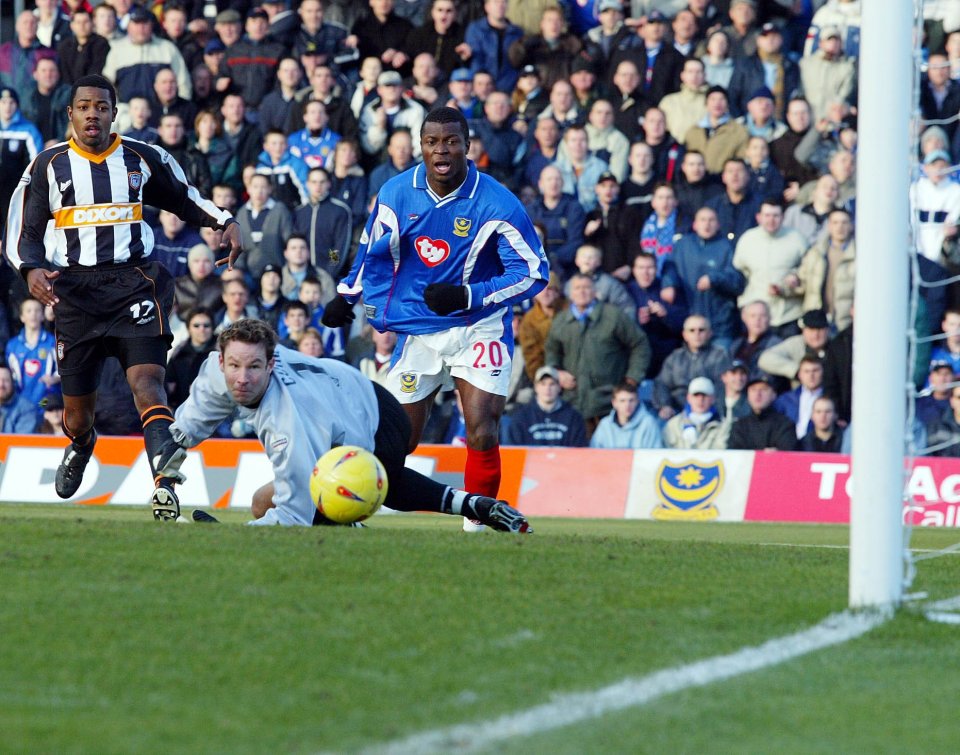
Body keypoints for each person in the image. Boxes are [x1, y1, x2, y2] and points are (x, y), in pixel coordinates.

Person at [3, 74, 242, 520]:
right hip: (74, 294)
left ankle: (165, 486)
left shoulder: (140, 157)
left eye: (101, 106)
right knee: (76, 414)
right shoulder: (48, 165)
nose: (93, 113)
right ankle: (81, 442)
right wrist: (31, 269)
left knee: (147, 385)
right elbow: (23, 231)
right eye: (84, 106)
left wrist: (224, 221)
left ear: (114, 113)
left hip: (134, 284)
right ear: (71, 114)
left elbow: (183, 197)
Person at [322, 107, 548, 531]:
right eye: (432, 142)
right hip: (419, 329)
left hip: (479, 325)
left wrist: (469, 294)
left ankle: (476, 530)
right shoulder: (395, 192)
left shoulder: (497, 202)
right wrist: (346, 295)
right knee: (393, 441)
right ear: (420, 146)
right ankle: (345, 512)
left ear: (468, 146)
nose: (441, 149)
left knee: (482, 429)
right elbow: (372, 249)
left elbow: (534, 272)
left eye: (450, 141)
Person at [168, 319, 531, 531]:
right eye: (234, 366)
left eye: (253, 367)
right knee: (264, 501)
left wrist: (229, 535)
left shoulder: (291, 422)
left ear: (271, 364)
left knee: (358, 490)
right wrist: (166, 464)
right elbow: (188, 423)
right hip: (349, 403)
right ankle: (475, 504)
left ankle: (349, 525)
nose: (242, 378)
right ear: (220, 362)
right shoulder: (218, 371)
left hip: (376, 421)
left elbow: (294, 515)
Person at [545, 273, 650, 432]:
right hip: (574, 401)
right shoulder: (561, 320)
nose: (582, 292)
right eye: (577, 288)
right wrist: (557, 372)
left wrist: (633, 378)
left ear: (595, 291)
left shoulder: (613, 316)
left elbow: (640, 343)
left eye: (586, 288)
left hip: (609, 403)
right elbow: (551, 350)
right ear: (570, 293)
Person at [670, 206, 745, 349]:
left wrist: (714, 278)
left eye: (711, 220)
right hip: (690, 322)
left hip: (720, 324)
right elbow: (670, 268)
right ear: (695, 224)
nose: (707, 224)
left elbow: (737, 280)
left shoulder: (727, 247)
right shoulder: (683, 245)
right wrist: (668, 284)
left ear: (718, 224)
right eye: (703, 220)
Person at [733, 196, 808, 337]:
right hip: (756, 317)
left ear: (783, 217)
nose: (771, 220)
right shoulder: (747, 240)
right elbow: (739, 272)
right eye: (767, 215)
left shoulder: (797, 239)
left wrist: (796, 276)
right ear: (758, 217)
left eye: (776, 215)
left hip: (788, 315)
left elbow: (808, 270)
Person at [652, 314, 729, 420]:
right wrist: (665, 405)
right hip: (677, 412)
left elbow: (721, 389)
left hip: (709, 412)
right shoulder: (675, 357)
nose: (697, 334)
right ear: (684, 335)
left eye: (701, 330)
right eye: (692, 330)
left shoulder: (719, 356)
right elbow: (662, 384)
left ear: (709, 333)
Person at [502, 365, 587, 447]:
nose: (547, 388)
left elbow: (579, 452)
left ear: (559, 387)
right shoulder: (521, 418)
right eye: (543, 384)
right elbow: (515, 453)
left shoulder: (574, 418)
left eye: (552, 384)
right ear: (536, 387)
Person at [6, 297, 59, 412]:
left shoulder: (51, 342)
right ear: (22, 317)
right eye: (29, 311)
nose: (33, 314)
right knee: (25, 420)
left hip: (46, 400)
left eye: (37, 310)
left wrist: (54, 378)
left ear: (42, 315)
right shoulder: (13, 345)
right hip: (21, 400)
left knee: (40, 413)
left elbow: (63, 369)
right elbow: (9, 375)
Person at [758, 308, 831, 384]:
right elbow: (765, 359)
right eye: (811, 329)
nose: (815, 335)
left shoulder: (836, 345)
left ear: (827, 330)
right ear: (803, 331)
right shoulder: (796, 343)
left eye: (819, 329)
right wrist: (797, 370)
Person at [727, 373, 796, 451]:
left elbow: (787, 453)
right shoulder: (739, 426)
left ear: (774, 395)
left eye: (764, 389)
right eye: (753, 389)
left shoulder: (785, 424)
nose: (758, 394)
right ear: (748, 395)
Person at [165, 307, 217, 410]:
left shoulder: (221, 353)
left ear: (212, 328)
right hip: (182, 412)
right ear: (188, 328)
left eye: (206, 325)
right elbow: (168, 386)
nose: (201, 329)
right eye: (196, 326)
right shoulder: (178, 354)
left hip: (215, 411)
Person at [663, 376, 732, 450]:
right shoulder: (673, 425)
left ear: (713, 399)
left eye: (705, 395)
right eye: (696, 395)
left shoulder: (723, 426)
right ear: (688, 398)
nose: (700, 400)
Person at [589, 382, 662, 449]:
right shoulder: (605, 424)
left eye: (631, 400)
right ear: (614, 403)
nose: (627, 405)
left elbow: (653, 457)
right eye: (622, 401)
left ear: (637, 401)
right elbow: (594, 454)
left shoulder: (649, 423)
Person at [773, 355, 825, 440]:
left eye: (815, 370)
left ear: (823, 372)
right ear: (799, 375)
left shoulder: (833, 399)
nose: (811, 375)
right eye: (806, 371)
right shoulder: (785, 399)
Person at [0, 364, 41, 433]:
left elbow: (21, 441)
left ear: (13, 383)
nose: (1, 385)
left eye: (6, 380)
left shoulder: (26, 408)